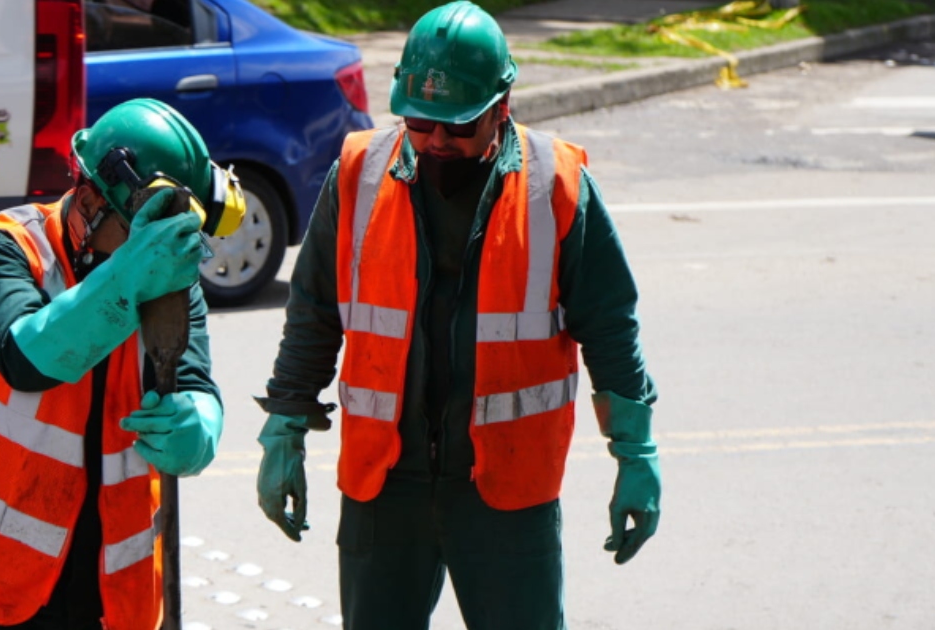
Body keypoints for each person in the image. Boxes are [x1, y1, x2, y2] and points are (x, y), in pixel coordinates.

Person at [253, 3, 661, 628]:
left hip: (505, 490)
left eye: (459, 124)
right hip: (386, 484)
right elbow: (313, 311)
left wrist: (634, 451)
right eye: (420, 122)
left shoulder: (556, 186)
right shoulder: (359, 174)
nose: (438, 141)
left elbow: (609, 324)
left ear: (502, 106)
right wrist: (286, 424)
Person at [0, 98, 243, 629]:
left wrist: (200, 422)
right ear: (88, 200)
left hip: (109, 590)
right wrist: (129, 274)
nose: (163, 254)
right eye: (140, 232)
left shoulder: (170, 279)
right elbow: (27, 359)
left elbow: (193, 378)